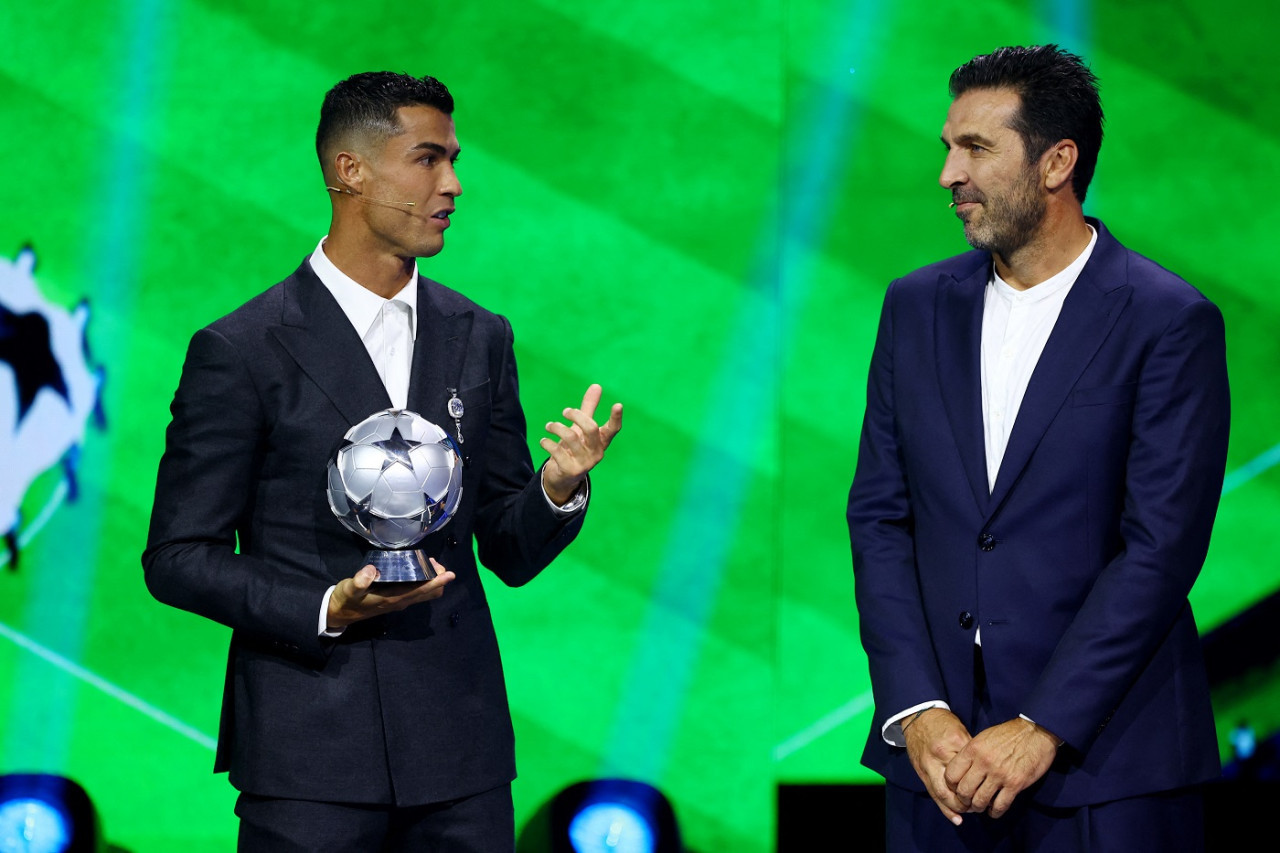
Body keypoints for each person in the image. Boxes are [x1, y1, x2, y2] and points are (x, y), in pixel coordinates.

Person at [143, 71, 622, 852]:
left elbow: (505, 546)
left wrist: (559, 488)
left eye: (454, 160)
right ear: (350, 170)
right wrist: (325, 605)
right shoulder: (242, 349)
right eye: (428, 159)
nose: (454, 184)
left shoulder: (479, 334)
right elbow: (177, 557)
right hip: (309, 761)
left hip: (459, 755)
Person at [847, 45, 1228, 851]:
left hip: (1107, 773)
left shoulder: (1167, 320)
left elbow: (1160, 548)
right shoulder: (915, 308)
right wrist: (915, 710)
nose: (948, 173)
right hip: (940, 772)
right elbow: (880, 517)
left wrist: (1043, 724)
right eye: (948, 147)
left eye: (975, 148)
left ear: (1057, 162)